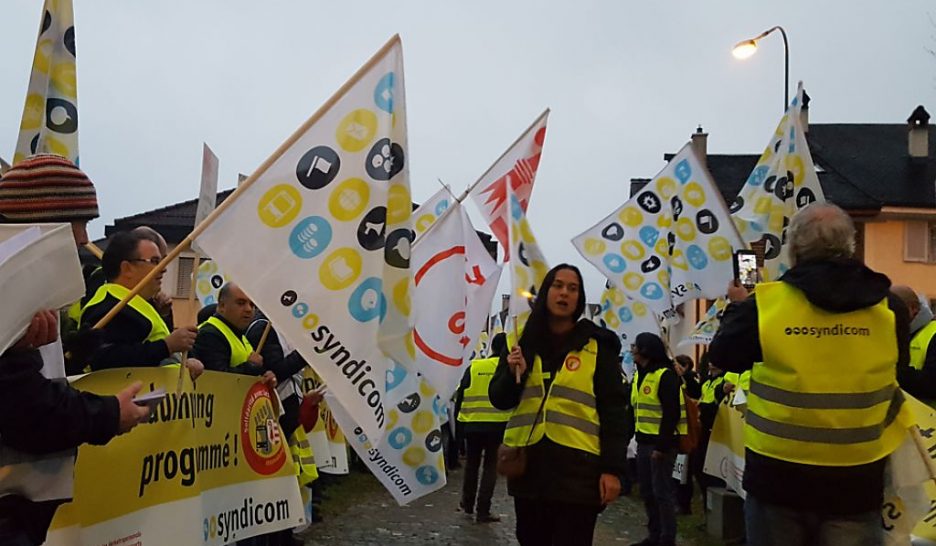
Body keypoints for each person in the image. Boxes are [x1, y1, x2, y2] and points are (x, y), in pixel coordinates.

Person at [709, 203, 912, 546]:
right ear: (851, 245)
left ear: (793, 250)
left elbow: (722, 355)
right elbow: (900, 374)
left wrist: (738, 305)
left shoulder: (766, 306)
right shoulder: (889, 307)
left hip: (778, 480)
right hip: (856, 481)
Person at [0, 154, 152, 545]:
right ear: (40, 224)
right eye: (78, 222)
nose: (85, 239)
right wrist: (108, 414)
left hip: (21, 505)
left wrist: (69, 353)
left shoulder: (31, 299)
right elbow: (23, 407)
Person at [489, 264, 627, 546]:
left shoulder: (597, 346)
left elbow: (614, 413)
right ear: (545, 292)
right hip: (529, 470)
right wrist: (515, 373)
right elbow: (500, 400)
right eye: (558, 285)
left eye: (572, 288)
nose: (564, 293)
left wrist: (612, 470)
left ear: (579, 298)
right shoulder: (520, 341)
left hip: (578, 473)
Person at [79, 230, 203, 378]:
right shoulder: (110, 306)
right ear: (127, 268)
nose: (163, 269)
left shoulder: (137, 303)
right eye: (155, 262)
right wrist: (166, 346)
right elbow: (106, 359)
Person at [630, 333, 685, 546]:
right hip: (643, 441)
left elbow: (671, 414)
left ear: (645, 350)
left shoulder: (665, 375)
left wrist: (661, 447)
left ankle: (667, 538)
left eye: (636, 346)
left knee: (661, 493)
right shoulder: (639, 375)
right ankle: (654, 534)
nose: (632, 349)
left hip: (660, 445)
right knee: (647, 491)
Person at [455, 332, 511, 523]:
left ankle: (468, 503)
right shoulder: (506, 370)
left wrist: (459, 427)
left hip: (472, 424)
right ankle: (483, 510)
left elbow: (460, 396)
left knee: (471, 465)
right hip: (497, 426)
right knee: (490, 467)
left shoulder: (475, 366)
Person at [193, 282, 274, 384]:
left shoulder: (238, 333)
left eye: (252, 304)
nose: (249, 309)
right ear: (222, 306)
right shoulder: (209, 334)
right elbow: (218, 379)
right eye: (241, 303)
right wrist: (252, 367)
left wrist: (265, 376)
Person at [893, 285, 936, 404]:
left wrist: (892, 371)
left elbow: (932, 383)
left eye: (894, 310)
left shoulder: (933, 333)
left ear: (913, 308)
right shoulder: (894, 333)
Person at [672, 354, 700, 515]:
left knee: (685, 472)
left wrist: (686, 377)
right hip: (678, 431)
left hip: (688, 430)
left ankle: (684, 504)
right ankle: (677, 500)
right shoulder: (673, 378)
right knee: (677, 471)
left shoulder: (690, 379)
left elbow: (696, 394)